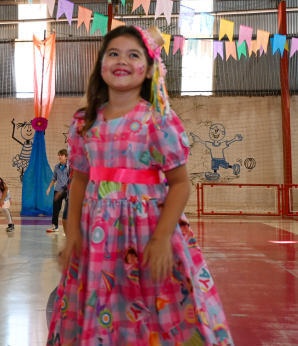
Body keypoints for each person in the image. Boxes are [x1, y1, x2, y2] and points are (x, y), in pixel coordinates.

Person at [47, 26, 233, 345]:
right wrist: (72, 232)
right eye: (113, 53)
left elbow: (180, 184)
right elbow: (80, 181)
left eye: (133, 55)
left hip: (149, 232)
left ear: (148, 70)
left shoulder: (159, 120)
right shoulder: (83, 123)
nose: (122, 60)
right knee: (105, 307)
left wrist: (161, 240)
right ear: (101, 65)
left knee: (155, 308)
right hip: (98, 237)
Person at [46, 149, 71, 234]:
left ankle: (68, 229)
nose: (60, 157)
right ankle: (55, 226)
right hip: (58, 190)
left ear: (66, 157)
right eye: (59, 155)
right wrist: (49, 188)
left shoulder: (70, 167)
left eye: (62, 155)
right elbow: (54, 178)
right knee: (55, 208)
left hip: (67, 190)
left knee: (68, 210)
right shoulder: (56, 167)